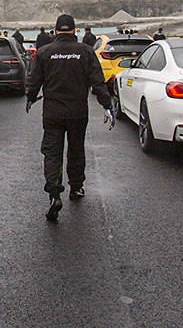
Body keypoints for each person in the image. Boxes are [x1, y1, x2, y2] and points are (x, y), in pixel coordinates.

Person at [25, 14, 115, 221]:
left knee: (52, 152)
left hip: (53, 112)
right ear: (74, 31)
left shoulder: (44, 52)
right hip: (77, 112)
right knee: (76, 150)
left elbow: (34, 80)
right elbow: (97, 81)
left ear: (56, 31)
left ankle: (54, 194)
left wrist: (30, 97)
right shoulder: (85, 51)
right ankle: (76, 187)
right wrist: (107, 105)